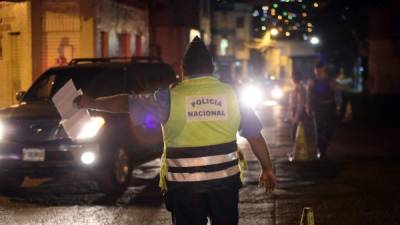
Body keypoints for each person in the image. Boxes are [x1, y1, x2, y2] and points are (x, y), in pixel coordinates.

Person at [74, 36, 276, 225]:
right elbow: (255, 136)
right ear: (211, 69)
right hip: (224, 185)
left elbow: (126, 103)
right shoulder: (233, 95)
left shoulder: (168, 98)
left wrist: (90, 102)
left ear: (182, 70)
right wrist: (267, 168)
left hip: (185, 188)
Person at [307, 62, 339, 159]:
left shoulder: (330, 81)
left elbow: (337, 94)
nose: (318, 72)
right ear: (315, 70)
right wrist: (309, 106)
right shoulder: (313, 82)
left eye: (320, 69)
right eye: (317, 70)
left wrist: (338, 106)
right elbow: (309, 96)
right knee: (319, 129)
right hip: (318, 108)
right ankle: (321, 150)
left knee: (330, 129)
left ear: (324, 69)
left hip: (329, 107)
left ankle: (323, 147)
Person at [289, 72, 317, 161]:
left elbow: (300, 104)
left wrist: (296, 117)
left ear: (293, 79)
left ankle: (299, 152)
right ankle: (297, 151)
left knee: (296, 134)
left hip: (299, 114)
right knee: (296, 134)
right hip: (298, 113)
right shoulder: (298, 88)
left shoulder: (300, 89)